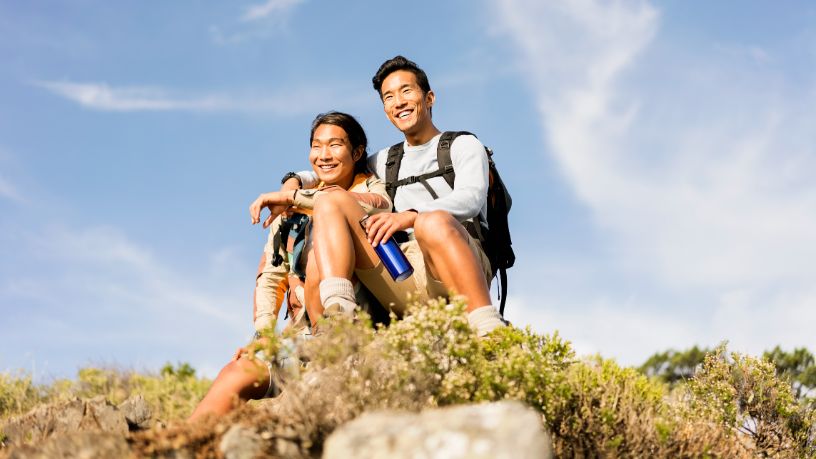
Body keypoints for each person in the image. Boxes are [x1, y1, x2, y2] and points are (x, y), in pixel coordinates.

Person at [188, 111, 391, 422]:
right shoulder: (289, 211)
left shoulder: (373, 192)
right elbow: (271, 277)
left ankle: (335, 337)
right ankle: (180, 443)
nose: (324, 155)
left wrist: (293, 193)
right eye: (316, 146)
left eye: (335, 145)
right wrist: (265, 332)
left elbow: (366, 204)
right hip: (302, 338)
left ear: (358, 152)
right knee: (237, 372)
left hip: (358, 329)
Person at [286, 56, 505, 337]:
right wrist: (293, 180)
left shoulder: (463, 145)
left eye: (406, 91)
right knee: (331, 199)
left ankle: (488, 328)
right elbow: (333, 165)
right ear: (385, 109)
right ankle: (338, 321)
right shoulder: (384, 161)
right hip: (399, 271)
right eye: (388, 97)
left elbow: (472, 198)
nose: (398, 102)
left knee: (432, 222)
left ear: (429, 98)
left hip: (454, 261)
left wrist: (409, 217)